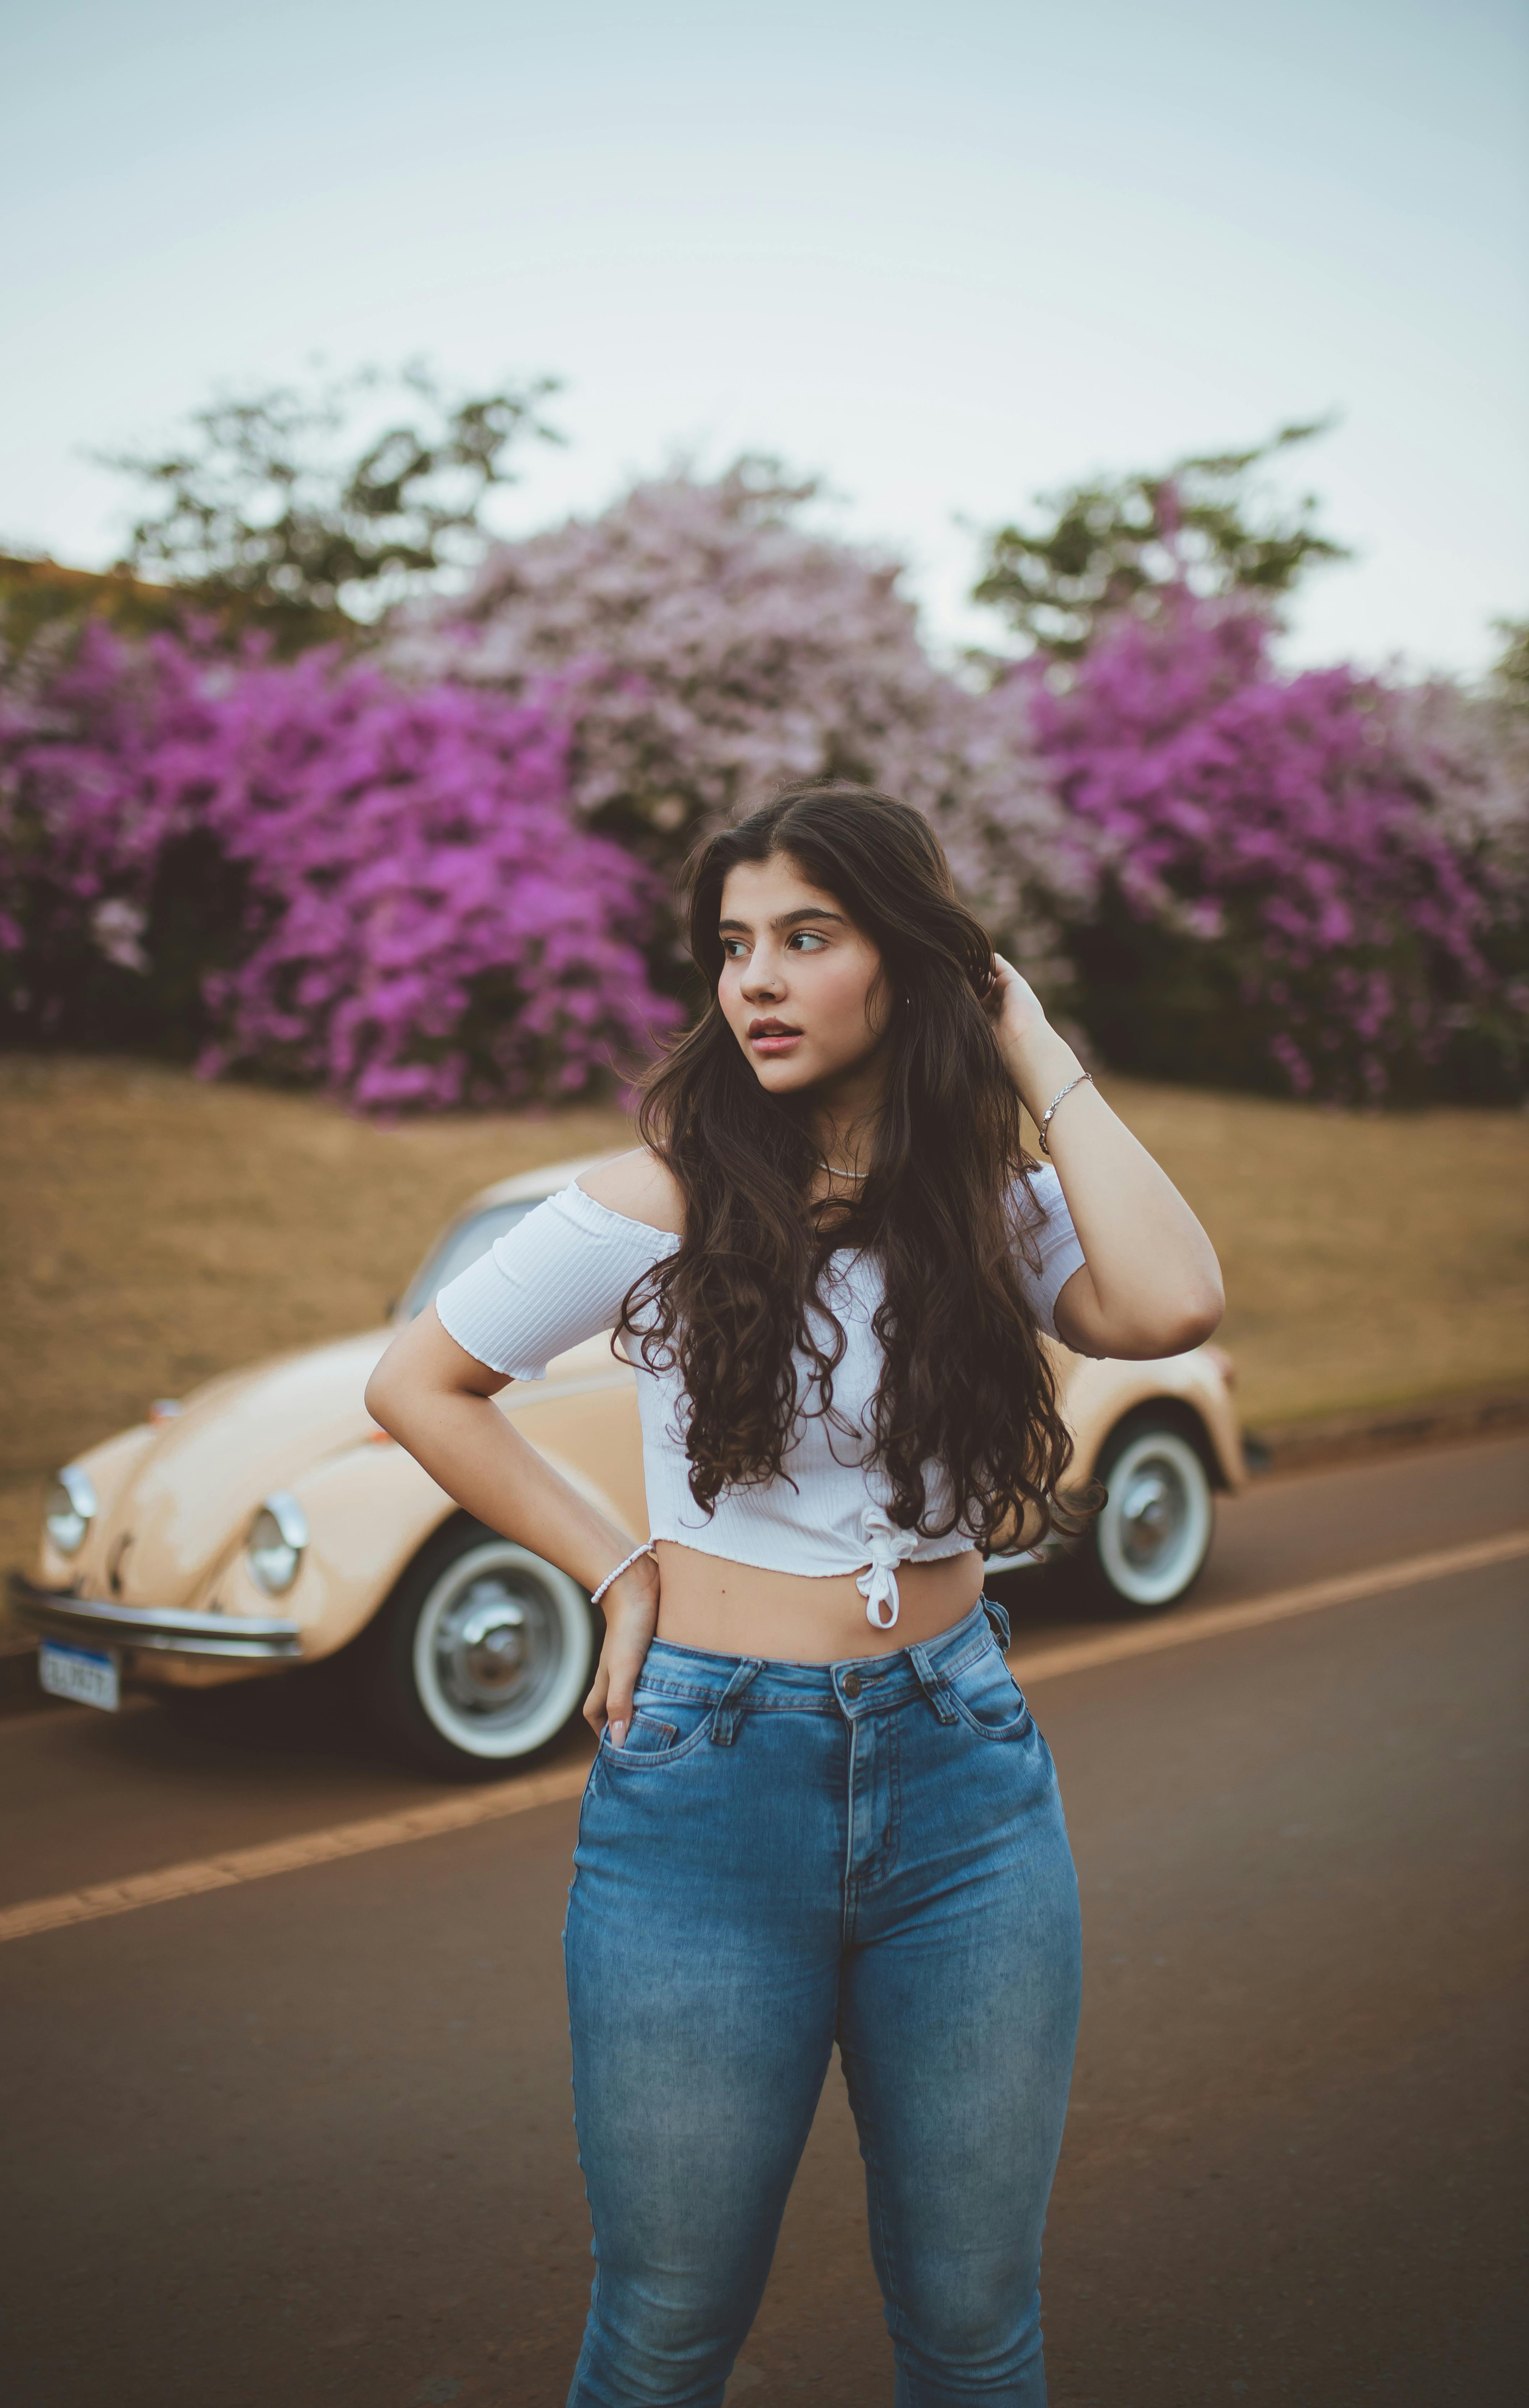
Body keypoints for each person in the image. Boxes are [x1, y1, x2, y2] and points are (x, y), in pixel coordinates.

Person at [366, 783, 1224, 2407]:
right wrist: (617, 1568)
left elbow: (1172, 1297)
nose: (752, 980)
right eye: (733, 946)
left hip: (964, 1780)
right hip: (707, 1792)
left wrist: (1033, 1052)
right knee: (670, 2329)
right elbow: (422, 1385)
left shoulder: (989, 1203)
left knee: (977, 2329)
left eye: (805, 940)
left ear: (907, 961)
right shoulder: (659, 1198)